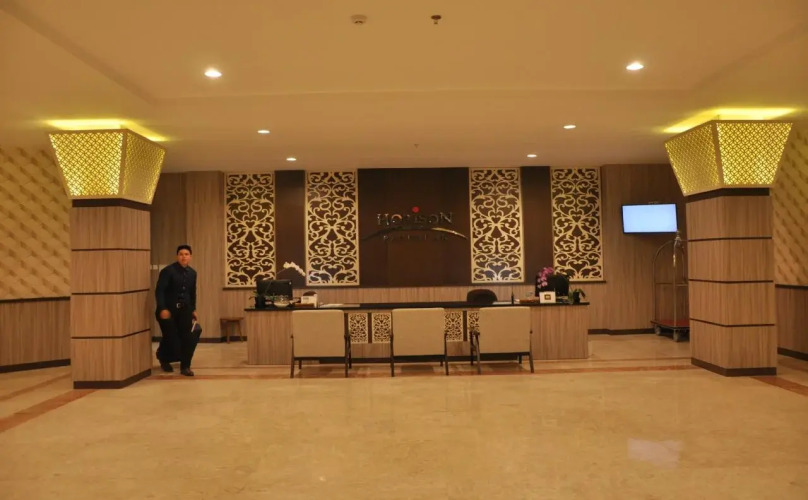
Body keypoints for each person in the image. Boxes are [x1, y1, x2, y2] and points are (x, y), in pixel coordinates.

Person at [155, 245, 198, 376]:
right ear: (177, 256)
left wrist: (193, 309)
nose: (183, 257)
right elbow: (160, 291)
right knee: (170, 337)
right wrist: (162, 308)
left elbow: (192, 293)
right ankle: (163, 358)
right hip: (168, 311)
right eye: (181, 254)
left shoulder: (192, 273)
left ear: (190, 256)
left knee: (187, 337)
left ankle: (185, 366)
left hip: (185, 310)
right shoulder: (168, 271)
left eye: (186, 254)